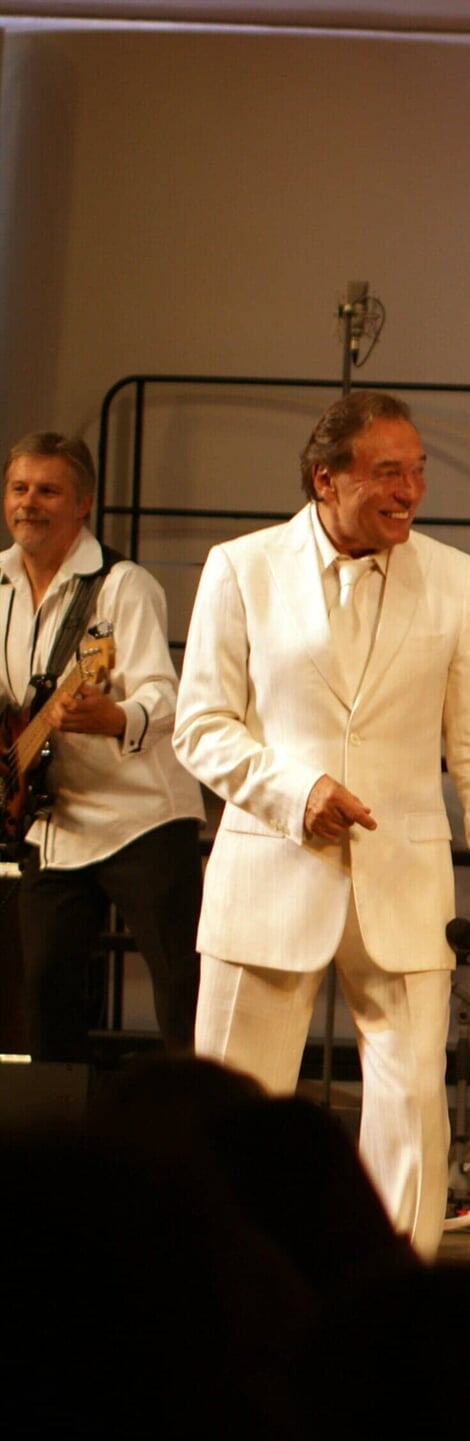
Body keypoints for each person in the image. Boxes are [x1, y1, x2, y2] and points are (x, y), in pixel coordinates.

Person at [174, 389, 470, 1259]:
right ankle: (227, 1282)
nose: (409, 491)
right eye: (387, 472)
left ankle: (396, 1291)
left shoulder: (453, 578)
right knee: (234, 1112)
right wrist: (295, 790)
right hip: (269, 870)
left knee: (412, 1110)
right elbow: (200, 726)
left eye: (417, 471)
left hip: (404, 881)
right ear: (324, 478)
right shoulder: (242, 567)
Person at [1, 432, 205, 1063]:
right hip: (53, 822)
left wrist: (115, 717)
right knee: (43, 996)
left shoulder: (123, 586)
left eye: (47, 491)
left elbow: (164, 696)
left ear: (83, 503)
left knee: (183, 992)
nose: (29, 503)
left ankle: (203, 1118)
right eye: (19, 488)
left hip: (142, 817)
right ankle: (58, 1124)